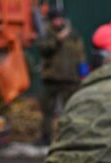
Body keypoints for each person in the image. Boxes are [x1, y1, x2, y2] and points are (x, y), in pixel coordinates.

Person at [36, 8, 87, 145]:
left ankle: (71, 137)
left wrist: (84, 74)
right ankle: (46, 137)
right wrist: (57, 40)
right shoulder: (47, 35)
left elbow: (81, 56)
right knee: (47, 110)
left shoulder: (73, 35)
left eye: (60, 18)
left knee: (71, 110)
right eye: (55, 19)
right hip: (51, 78)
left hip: (71, 79)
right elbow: (44, 50)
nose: (58, 22)